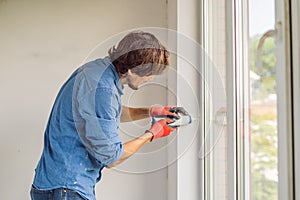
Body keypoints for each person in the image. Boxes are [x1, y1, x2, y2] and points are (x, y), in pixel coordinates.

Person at [30, 31, 179, 200]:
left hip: (51, 185)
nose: (151, 78)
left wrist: (151, 111)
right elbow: (112, 158)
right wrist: (152, 134)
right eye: (149, 73)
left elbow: (107, 113)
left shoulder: (98, 70)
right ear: (131, 70)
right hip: (68, 188)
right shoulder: (103, 89)